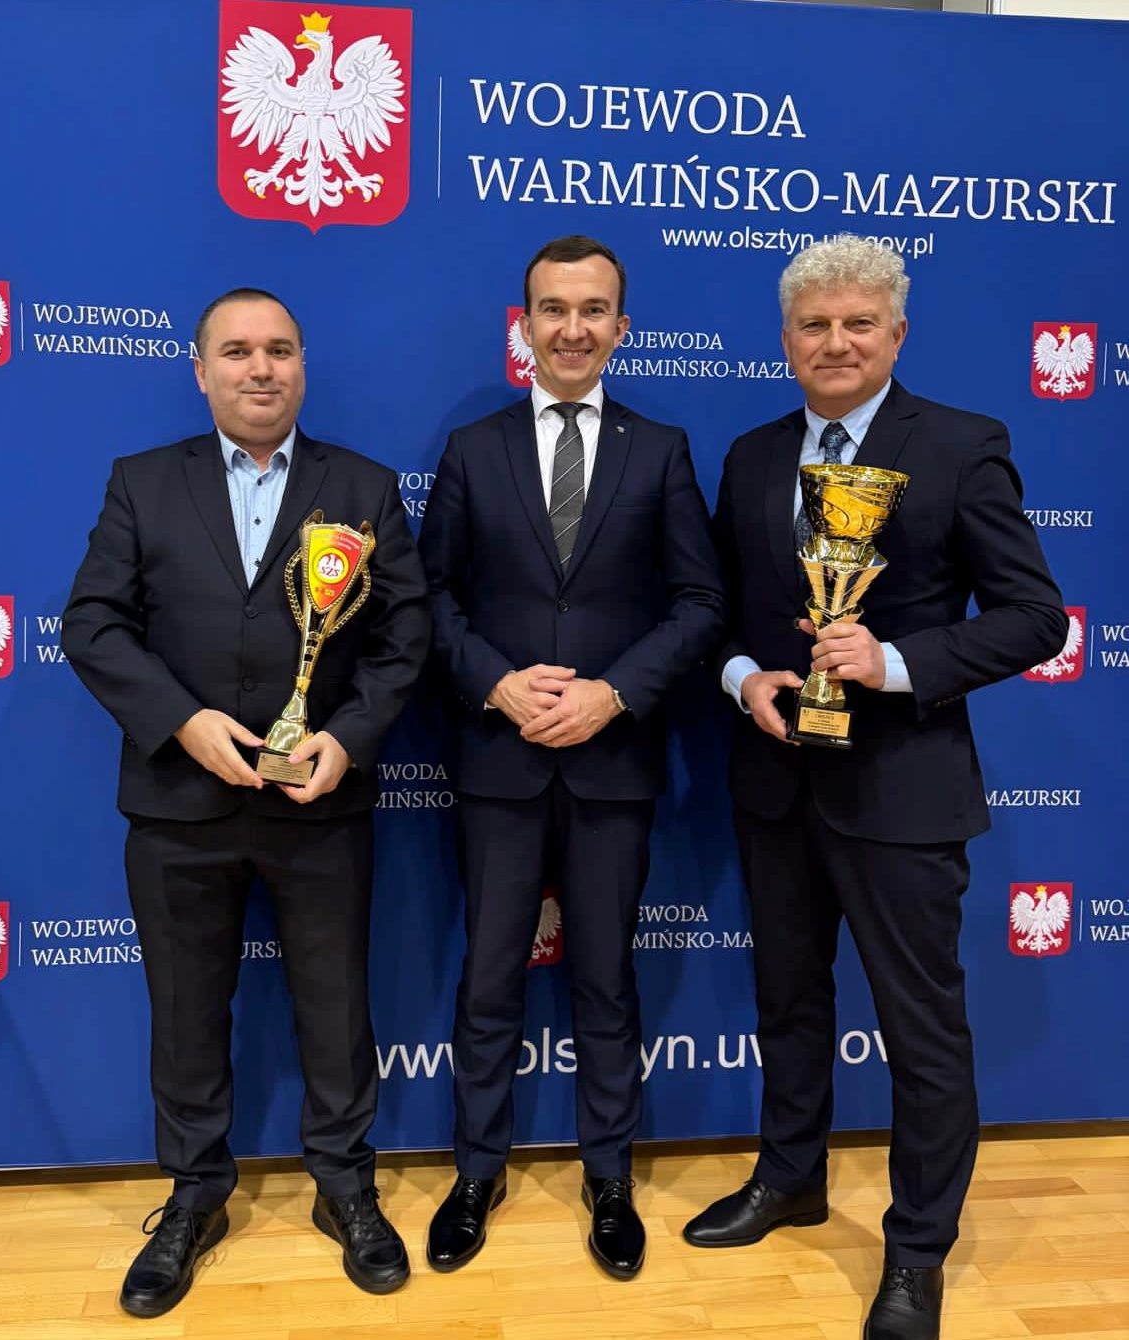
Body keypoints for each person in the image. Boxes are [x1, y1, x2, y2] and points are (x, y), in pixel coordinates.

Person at [683, 236, 1068, 1340]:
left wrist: (892, 662)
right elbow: (719, 609)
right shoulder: (753, 455)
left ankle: (915, 1252)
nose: (836, 342)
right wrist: (742, 675)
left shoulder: (959, 444)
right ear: (784, 340)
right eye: (814, 325)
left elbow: (1034, 617)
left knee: (921, 1030)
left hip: (901, 790)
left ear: (896, 334)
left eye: (858, 323)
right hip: (776, 780)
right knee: (787, 1003)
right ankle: (788, 1178)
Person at [61, 288, 430, 1315]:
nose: (259, 368)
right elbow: (92, 623)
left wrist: (346, 736)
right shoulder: (143, 482)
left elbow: (405, 637)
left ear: (302, 365)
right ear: (200, 370)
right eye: (236, 351)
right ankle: (192, 1198)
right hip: (178, 802)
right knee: (185, 1012)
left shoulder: (362, 486)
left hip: (318, 801)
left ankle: (345, 1186)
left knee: (335, 1004)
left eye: (278, 350)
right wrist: (181, 721)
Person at [418, 235, 723, 1280]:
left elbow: (699, 602)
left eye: (593, 309)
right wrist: (497, 682)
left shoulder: (661, 449)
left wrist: (613, 693)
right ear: (525, 324)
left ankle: (608, 1176)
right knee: (487, 977)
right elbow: (429, 596)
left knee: (605, 978)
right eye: (553, 308)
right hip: (497, 758)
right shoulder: (472, 448)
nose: (572, 327)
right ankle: (475, 1172)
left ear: (620, 327)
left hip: (611, 761)